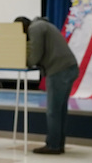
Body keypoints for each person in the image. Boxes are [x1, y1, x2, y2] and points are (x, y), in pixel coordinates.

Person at [20, 15, 80, 154]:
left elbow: (36, 54)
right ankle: (58, 144)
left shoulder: (35, 28)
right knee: (60, 110)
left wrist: (23, 61)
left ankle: (53, 146)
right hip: (68, 67)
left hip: (58, 69)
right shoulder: (43, 25)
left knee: (53, 111)